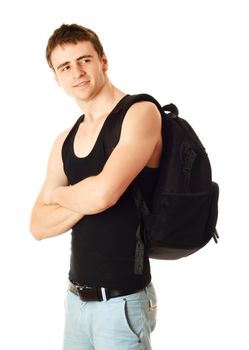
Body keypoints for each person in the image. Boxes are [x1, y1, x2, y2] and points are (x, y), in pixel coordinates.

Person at [30, 23, 162, 350]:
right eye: (65, 66)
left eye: (84, 60)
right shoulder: (65, 141)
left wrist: (59, 195)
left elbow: (104, 195)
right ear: (57, 78)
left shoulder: (139, 112)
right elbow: (37, 225)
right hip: (75, 303)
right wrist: (86, 197)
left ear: (103, 61)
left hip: (122, 304)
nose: (77, 71)